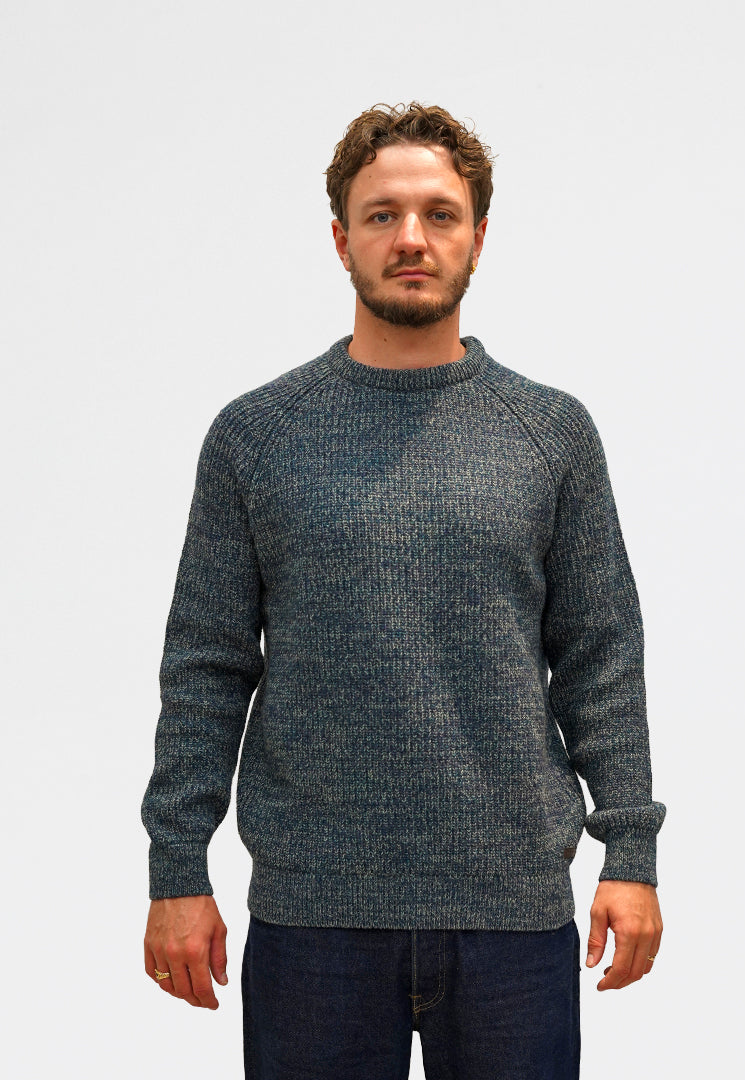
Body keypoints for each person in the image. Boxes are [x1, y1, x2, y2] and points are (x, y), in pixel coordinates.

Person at [141, 101, 666, 1079]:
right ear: (342, 239)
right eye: (382, 215)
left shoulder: (550, 434)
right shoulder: (257, 436)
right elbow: (206, 666)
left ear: (479, 237)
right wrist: (177, 868)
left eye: (439, 213)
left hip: (512, 918)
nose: (411, 238)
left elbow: (601, 656)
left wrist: (630, 852)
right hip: (314, 919)